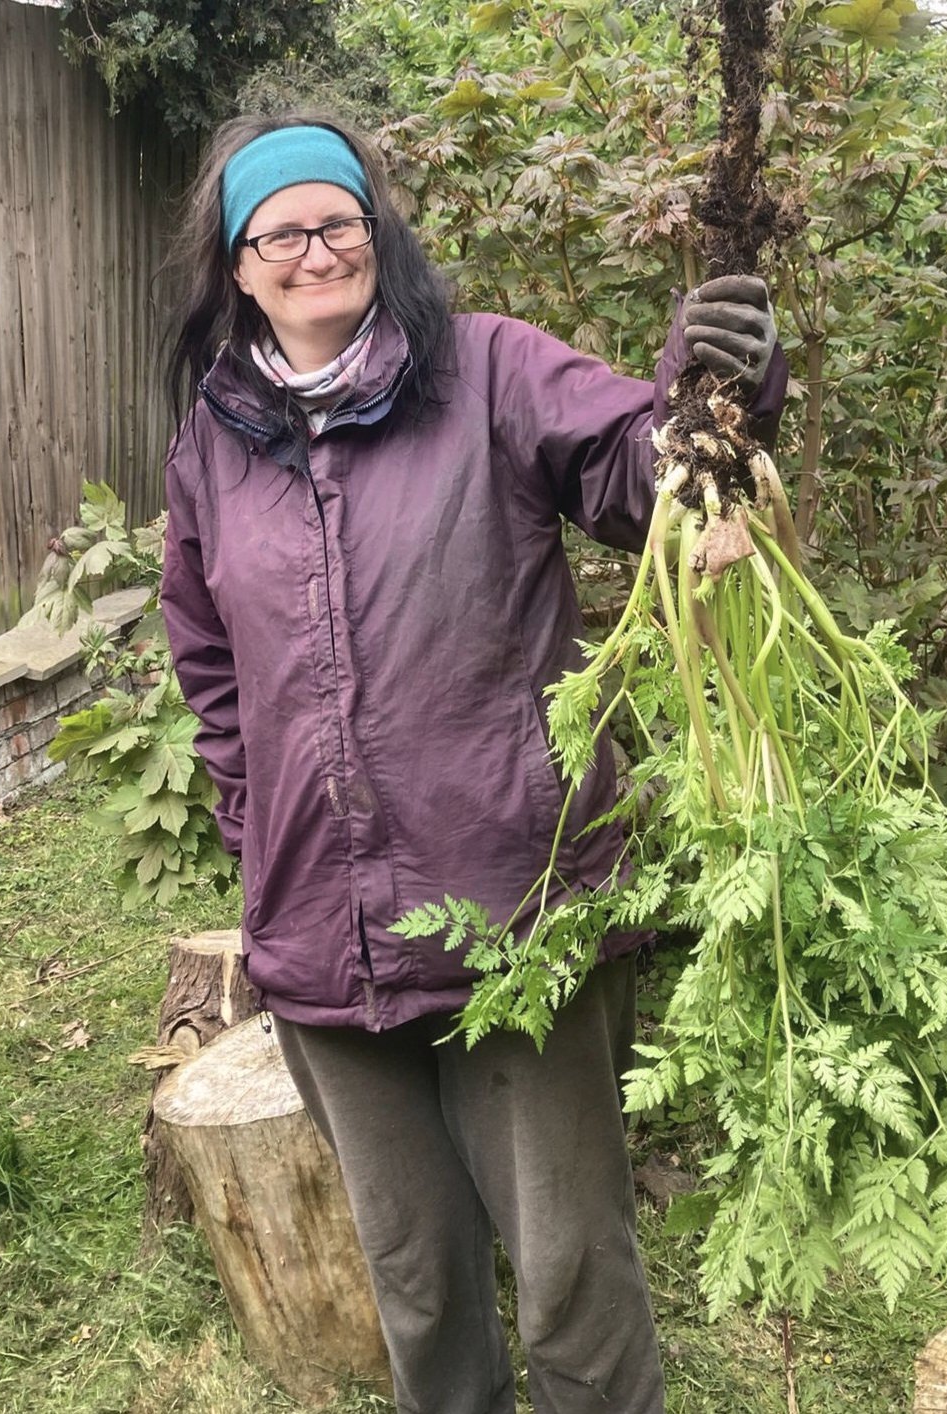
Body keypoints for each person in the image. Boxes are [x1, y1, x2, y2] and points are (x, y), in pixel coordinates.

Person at [160, 113, 787, 1414]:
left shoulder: (491, 373)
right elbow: (211, 670)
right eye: (282, 230)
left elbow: (637, 465)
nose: (316, 247)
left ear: (374, 234)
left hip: (519, 914)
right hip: (327, 951)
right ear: (239, 263)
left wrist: (716, 401)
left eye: (339, 219)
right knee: (420, 1286)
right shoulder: (214, 449)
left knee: (571, 1280)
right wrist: (256, 824)